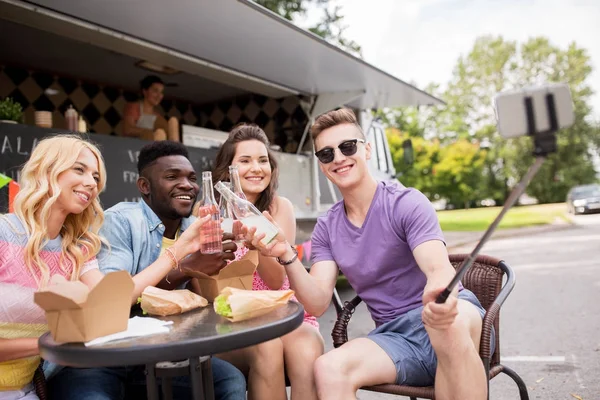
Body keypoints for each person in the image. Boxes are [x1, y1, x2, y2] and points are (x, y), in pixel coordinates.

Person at [243, 108, 491, 400]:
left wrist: (439, 293)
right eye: (326, 154)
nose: (338, 158)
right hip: (396, 338)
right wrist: (286, 253)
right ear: (322, 166)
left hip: (450, 313)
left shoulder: (406, 202)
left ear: (367, 149)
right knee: (327, 368)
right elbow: (318, 302)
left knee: (448, 328)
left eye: (347, 147)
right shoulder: (327, 228)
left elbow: (437, 267)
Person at [46, 141, 247, 400]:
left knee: (230, 380)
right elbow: (112, 304)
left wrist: (227, 261)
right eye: (172, 176)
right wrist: (183, 268)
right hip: (102, 356)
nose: (187, 185)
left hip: (164, 351)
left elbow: (206, 303)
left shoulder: (196, 227)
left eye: (192, 178)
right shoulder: (121, 221)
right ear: (144, 186)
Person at [201, 123, 324, 400]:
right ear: (228, 170)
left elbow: (274, 281)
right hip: (232, 321)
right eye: (245, 161)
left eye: (263, 160)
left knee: (305, 348)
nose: (256, 168)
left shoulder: (280, 208)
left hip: (283, 314)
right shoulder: (211, 214)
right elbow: (207, 284)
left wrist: (258, 242)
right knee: (267, 345)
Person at [0, 135, 108, 399]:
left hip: (23, 391)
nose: (91, 183)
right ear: (47, 171)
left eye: (95, 176)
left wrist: (179, 253)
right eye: (79, 169)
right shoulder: (3, 232)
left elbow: (110, 304)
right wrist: (52, 343)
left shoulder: (75, 250)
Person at [122, 75, 180, 142]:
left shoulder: (158, 117)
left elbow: (166, 134)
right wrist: (147, 132)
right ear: (145, 91)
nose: (159, 96)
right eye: (155, 91)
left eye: (161, 92)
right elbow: (128, 130)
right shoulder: (134, 107)